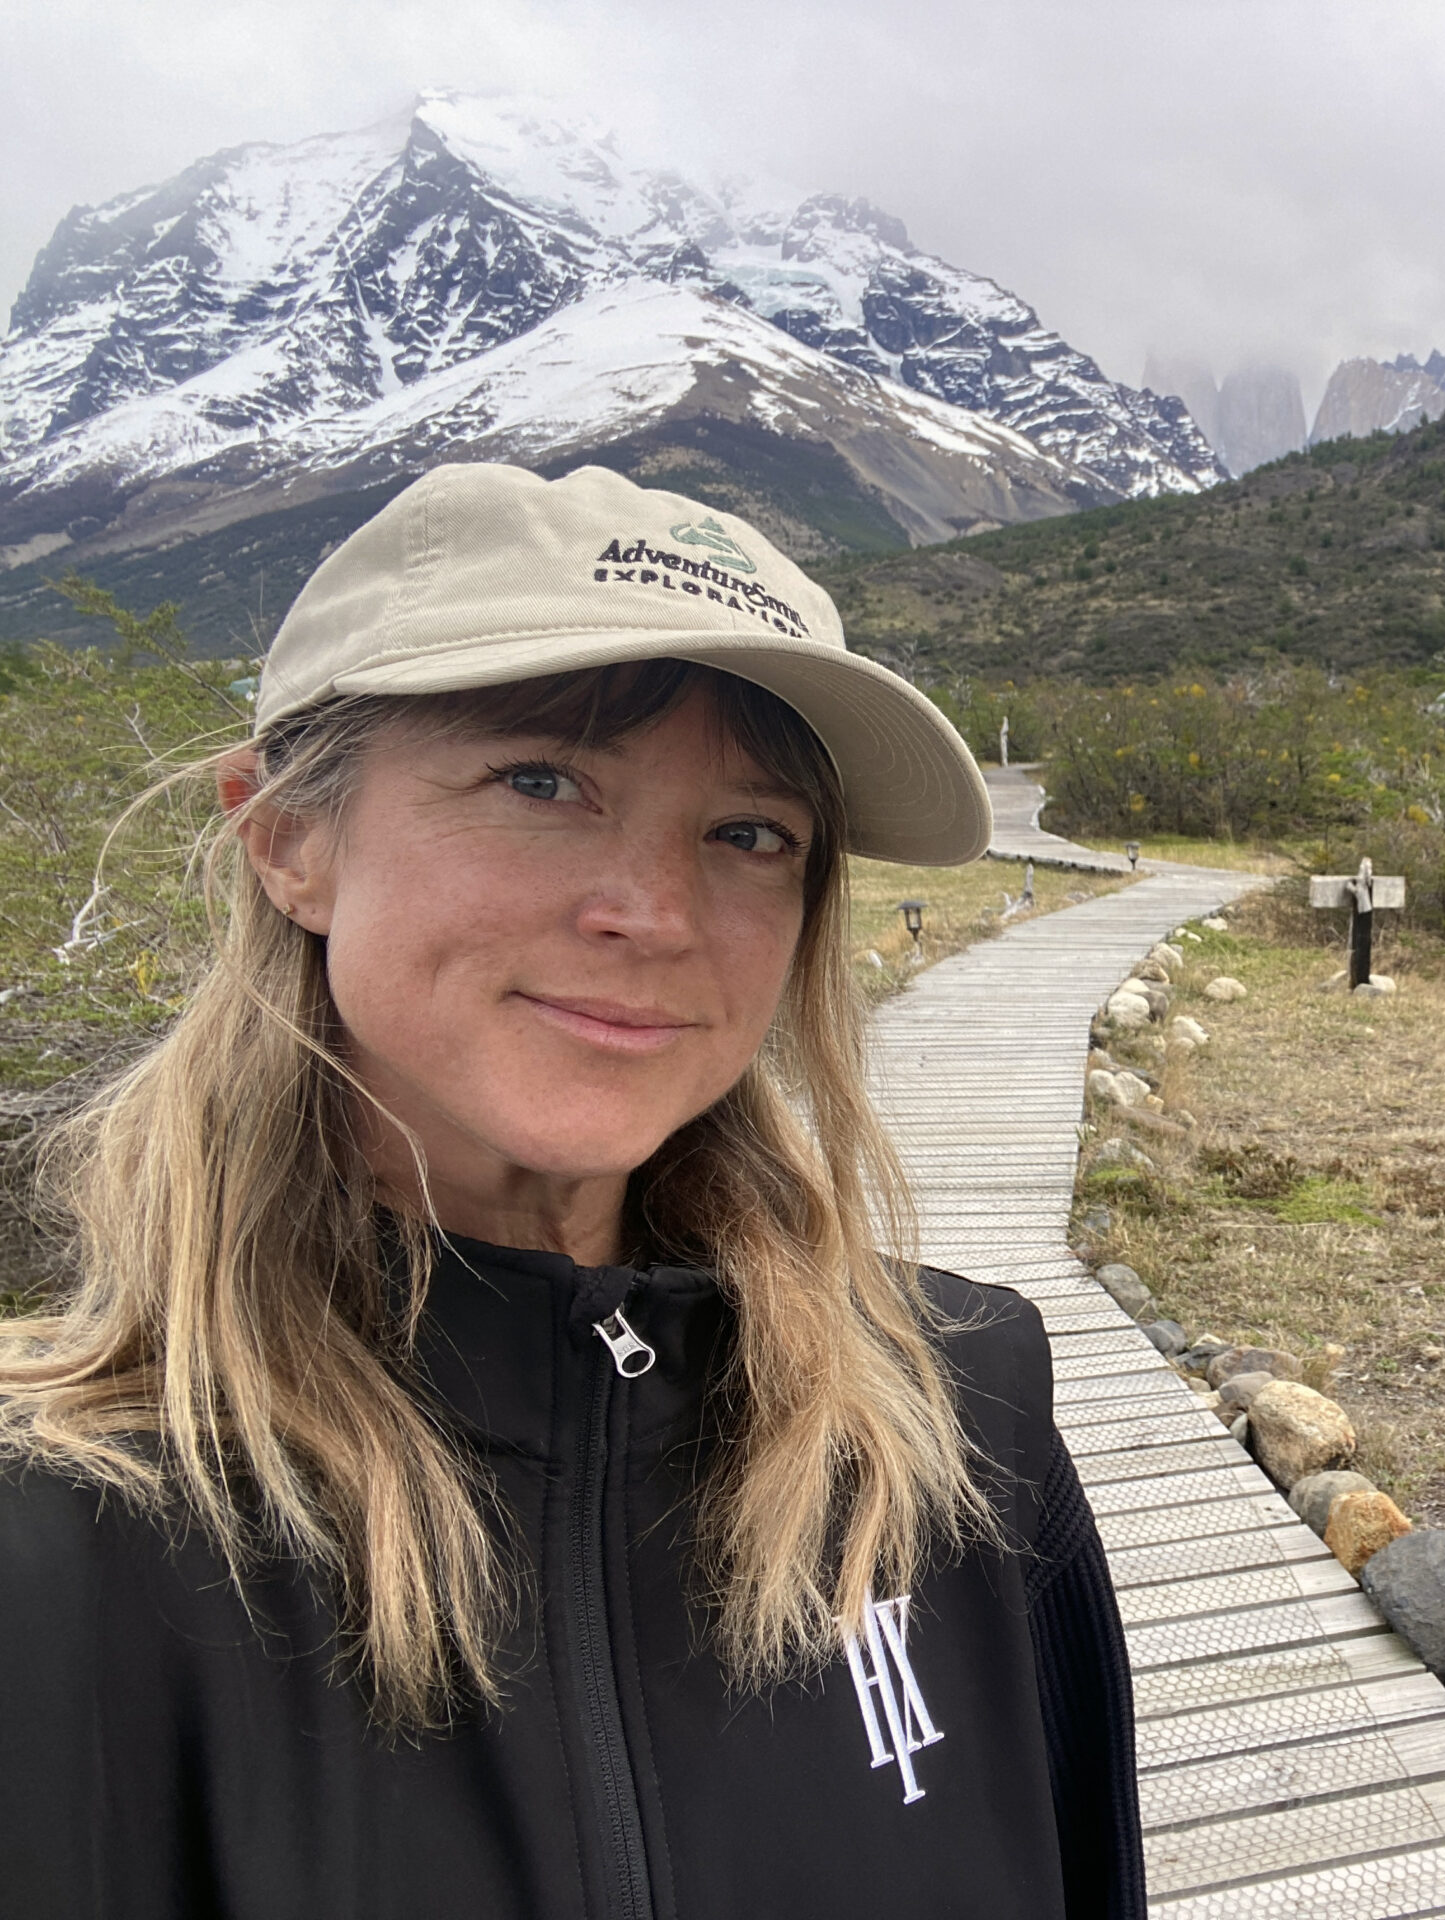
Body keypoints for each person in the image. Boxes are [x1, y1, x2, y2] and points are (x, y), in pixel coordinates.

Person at [0, 464, 1142, 1918]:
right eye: (541, 782)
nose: (654, 914)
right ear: (288, 835)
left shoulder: (959, 1418)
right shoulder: (63, 1549)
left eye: (751, 834)